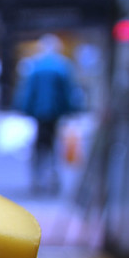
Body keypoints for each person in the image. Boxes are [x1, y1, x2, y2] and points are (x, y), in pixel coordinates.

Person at [15, 34, 83, 195]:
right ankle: (53, 177)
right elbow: (68, 92)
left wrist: (24, 109)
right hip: (55, 112)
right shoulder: (63, 66)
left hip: (39, 113)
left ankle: (37, 178)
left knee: (39, 145)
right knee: (52, 144)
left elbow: (28, 91)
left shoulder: (36, 65)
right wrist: (72, 110)